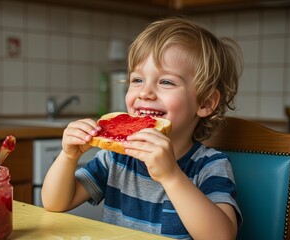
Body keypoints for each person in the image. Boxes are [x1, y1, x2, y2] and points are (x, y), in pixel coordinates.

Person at [42, 16, 243, 239]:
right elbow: (55, 203)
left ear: (205, 102)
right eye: (137, 80)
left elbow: (221, 236)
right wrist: (68, 156)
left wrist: (172, 176)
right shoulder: (117, 158)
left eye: (166, 82)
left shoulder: (210, 165)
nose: (144, 92)